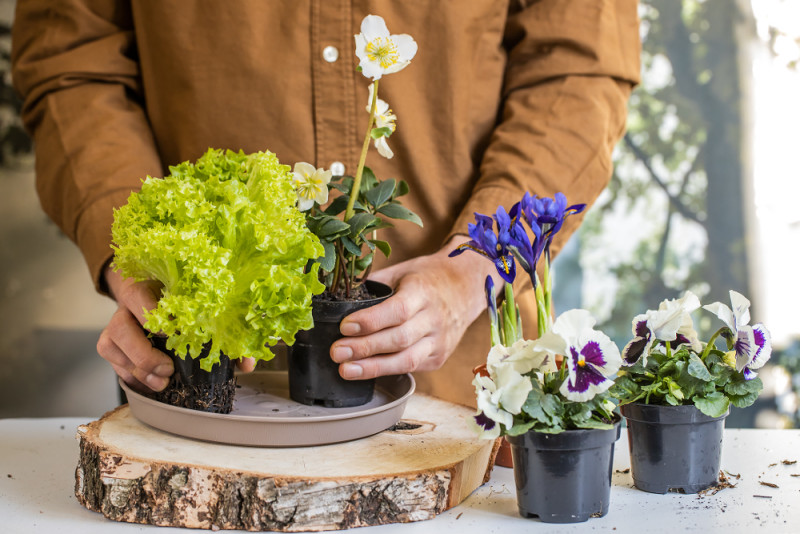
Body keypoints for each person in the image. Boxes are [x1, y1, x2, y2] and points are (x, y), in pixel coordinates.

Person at [11, 1, 640, 407]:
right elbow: (73, 64)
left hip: (467, 394)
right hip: (207, 392)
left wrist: (468, 269)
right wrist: (149, 263)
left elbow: (576, 71)